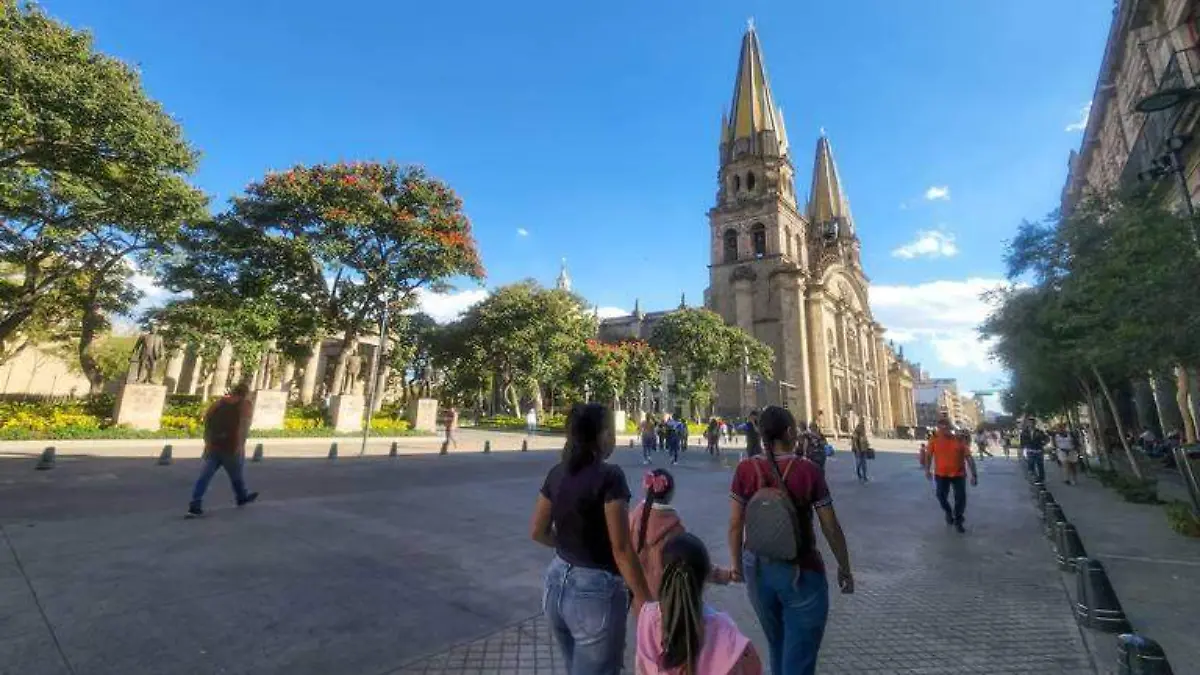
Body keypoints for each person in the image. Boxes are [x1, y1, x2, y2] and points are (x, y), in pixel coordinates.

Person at [727, 406, 853, 675]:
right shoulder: (807, 471)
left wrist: (736, 566)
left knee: (778, 643)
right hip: (801, 570)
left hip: (757, 568)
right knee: (800, 656)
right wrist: (844, 566)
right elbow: (830, 526)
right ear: (788, 432)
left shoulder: (746, 469)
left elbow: (736, 524)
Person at [530, 403, 652, 675]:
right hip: (594, 593)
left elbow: (537, 531)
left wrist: (567, 545)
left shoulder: (557, 472)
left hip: (555, 585)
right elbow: (621, 549)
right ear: (604, 435)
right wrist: (647, 603)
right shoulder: (610, 476)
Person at [635, 533, 763, 675]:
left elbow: (641, 668)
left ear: (662, 572)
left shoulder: (648, 618)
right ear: (705, 577)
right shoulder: (723, 629)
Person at [629, 469, 734, 597]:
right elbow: (693, 562)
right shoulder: (673, 528)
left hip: (639, 597)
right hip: (666, 599)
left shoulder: (633, 518)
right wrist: (725, 575)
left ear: (646, 490)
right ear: (671, 494)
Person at [187, 382, 258, 517]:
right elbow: (243, 427)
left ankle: (195, 503)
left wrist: (207, 441)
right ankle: (242, 497)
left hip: (214, 445)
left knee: (205, 476)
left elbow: (207, 420)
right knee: (236, 475)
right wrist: (240, 446)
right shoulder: (245, 405)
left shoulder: (219, 403)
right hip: (231, 446)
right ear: (245, 393)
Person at [925, 415, 977, 533]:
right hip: (941, 474)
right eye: (941, 426)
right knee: (940, 496)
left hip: (958, 474)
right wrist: (927, 470)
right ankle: (948, 512)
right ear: (938, 428)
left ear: (950, 427)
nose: (943, 429)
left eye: (946, 426)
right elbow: (928, 455)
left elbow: (969, 458)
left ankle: (958, 520)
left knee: (960, 498)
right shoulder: (934, 439)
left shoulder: (959, 440)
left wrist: (974, 475)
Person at [1019, 417, 1047, 482]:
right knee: (1031, 465)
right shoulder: (1024, 433)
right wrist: (1022, 450)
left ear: (1035, 424)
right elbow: (1022, 442)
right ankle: (1034, 477)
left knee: (1040, 465)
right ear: (1028, 424)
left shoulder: (1039, 432)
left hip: (1038, 450)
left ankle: (1041, 479)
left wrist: (1043, 444)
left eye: (1032, 423)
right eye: (1029, 423)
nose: (1031, 424)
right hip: (1029, 451)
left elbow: (1046, 439)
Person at [851, 419, 869, 483]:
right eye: (861, 427)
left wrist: (867, 447)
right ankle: (858, 472)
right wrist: (857, 450)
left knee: (864, 463)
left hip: (863, 450)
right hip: (858, 451)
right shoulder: (855, 433)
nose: (862, 428)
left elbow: (865, 441)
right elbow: (855, 442)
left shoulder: (863, 434)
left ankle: (864, 476)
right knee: (859, 463)